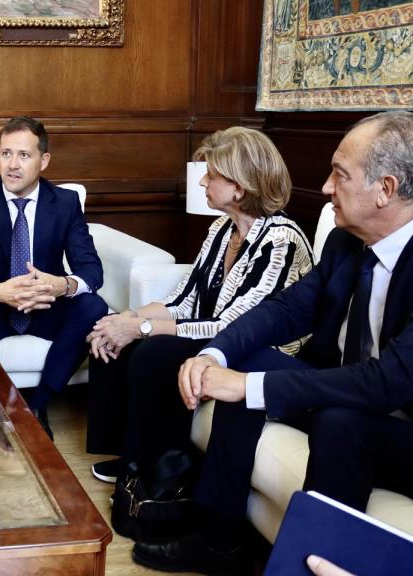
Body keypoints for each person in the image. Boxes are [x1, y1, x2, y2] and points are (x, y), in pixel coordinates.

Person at [134, 111, 413, 575]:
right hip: (352, 389)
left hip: (400, 419)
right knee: (250, 359)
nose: (325, 188)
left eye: (339, 175)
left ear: (385, 189)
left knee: (337, 421)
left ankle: (305, 563)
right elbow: (287, 310)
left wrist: (247, 386)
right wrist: (214, 354)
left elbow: (388, 383)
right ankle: (219, 540)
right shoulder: (346, 243)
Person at [84, 127, 313, 483]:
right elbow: (186, 299)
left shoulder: (280, 241)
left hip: (256, 349)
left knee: (154, 351)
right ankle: (129, 455)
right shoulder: (222, 229)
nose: (204, 181)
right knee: (111, 331)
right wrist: (129, 318)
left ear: (239, 186)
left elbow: (232, 326)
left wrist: (143, 329)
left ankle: (154, 468)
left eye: (212, 175)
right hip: (218, 335)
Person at [0, 116, 108, 438]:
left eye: (24, 155)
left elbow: (91, 270)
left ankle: (39, 404)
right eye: (6, 154)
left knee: (93, 306)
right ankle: (5, 403)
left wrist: (62, 285)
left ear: (44, 161)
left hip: (45, 306)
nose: (12, 165)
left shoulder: (65, 203)